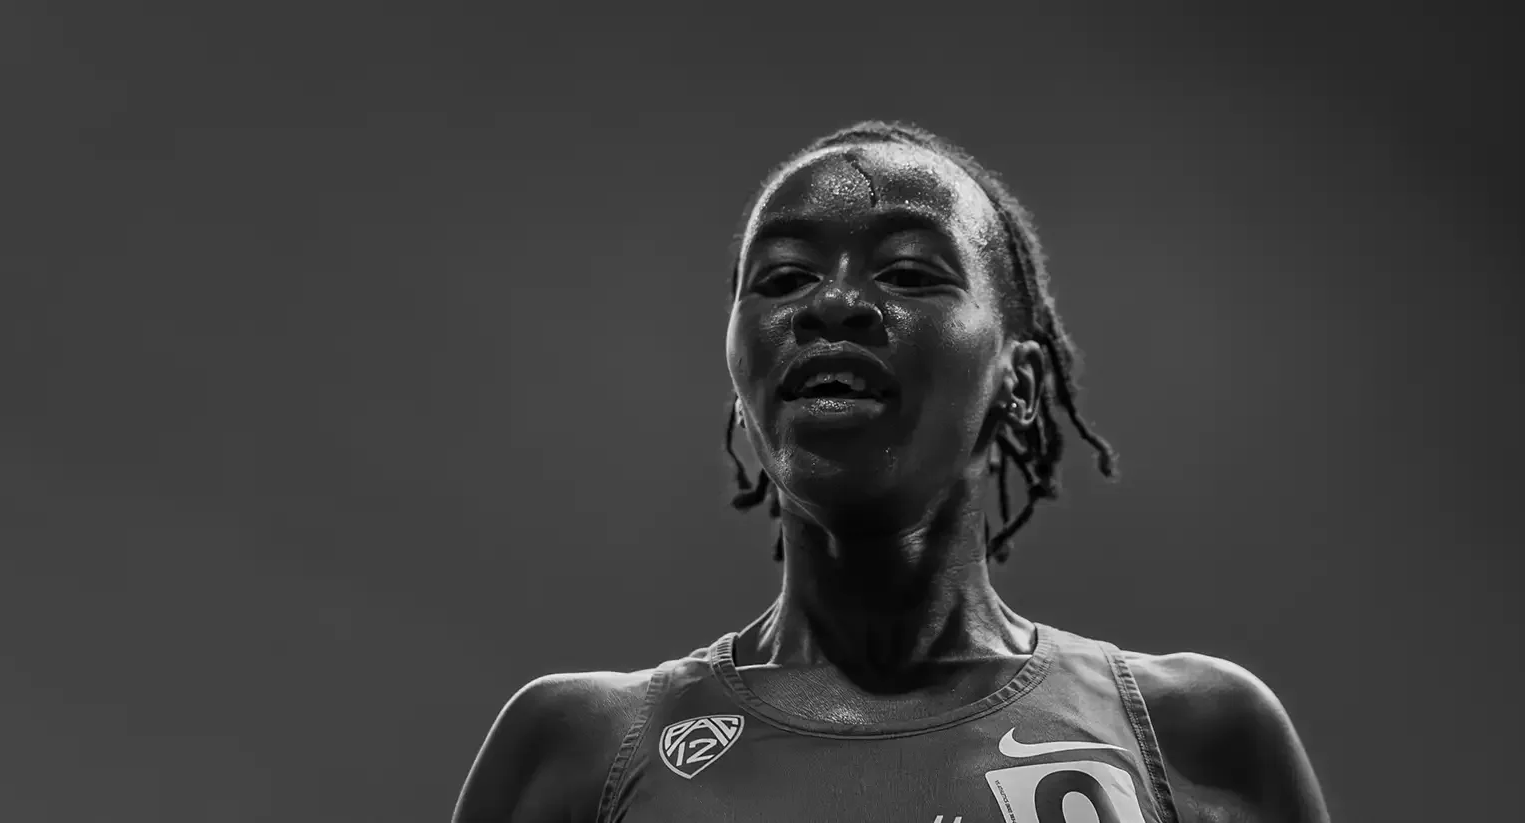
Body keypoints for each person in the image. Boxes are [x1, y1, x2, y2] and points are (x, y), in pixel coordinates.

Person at [452, 121, 1330, 823]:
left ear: (1019, 384)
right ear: (743, 381)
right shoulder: (576, 755)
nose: (832, 302)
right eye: (784, 276)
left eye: (909, 271)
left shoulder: (1196, 742)